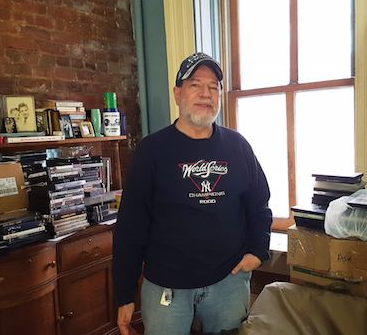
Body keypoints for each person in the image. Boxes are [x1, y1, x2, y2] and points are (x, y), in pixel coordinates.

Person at [112, 52, 273, 335]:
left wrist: (258, 251)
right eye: (195, 84)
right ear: (177, 94)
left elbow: (259, 205)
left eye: (214, 87)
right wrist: (125, 295)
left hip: (228, 281)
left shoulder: (238, 146)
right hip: (166, 288)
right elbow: (131, 226)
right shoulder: (152, 151)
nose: (205, 94)